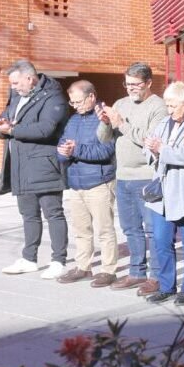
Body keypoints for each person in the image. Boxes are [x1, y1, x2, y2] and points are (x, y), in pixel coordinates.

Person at [0, 60, 70, 280]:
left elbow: (46, 129)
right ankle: (29, 259)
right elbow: (6, 119)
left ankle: (58, 260)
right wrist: (0, 128)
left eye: (17, 82)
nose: (14, 87)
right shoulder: (16, 96)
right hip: (19, 165)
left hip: (44, 164)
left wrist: (13, 129)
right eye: (12, 83)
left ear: (30, 78)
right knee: (28, 215)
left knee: (53, 213)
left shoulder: (52, 96)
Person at [96, 62, 166, 295]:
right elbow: (104, 138)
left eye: (136, 84)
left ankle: (156, 276)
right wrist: (106, 123)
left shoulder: (158, 106)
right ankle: (136, 272)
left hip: (147, 176)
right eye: (127, 84)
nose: (131, 89)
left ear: (148, 83)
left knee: (152, 230)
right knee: (130, 228)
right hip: (123, 176)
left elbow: (151, 139)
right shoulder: (120, 104)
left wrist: (121, 123)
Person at [142, 82, 184, 306]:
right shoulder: (163, 122)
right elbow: (150, 148)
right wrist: (151, 147)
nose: (169, 110)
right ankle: (167, 286)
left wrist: (162, 150)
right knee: (161, 241)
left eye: (174, 106)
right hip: (162, 194)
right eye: (167, 105)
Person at [55, 80, 118, 288]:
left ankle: (108, 270)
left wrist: (76, 150)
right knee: (81, 229)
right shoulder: (73, 120)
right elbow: (63, 144)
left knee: (105, 229)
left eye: (79, 102)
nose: (76, 106)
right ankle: (83, 266)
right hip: (76, 183)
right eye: (72, 103)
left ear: (91, 96)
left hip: (99, 182)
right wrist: (62, 152)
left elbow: (106, 151)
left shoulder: (104, 118)